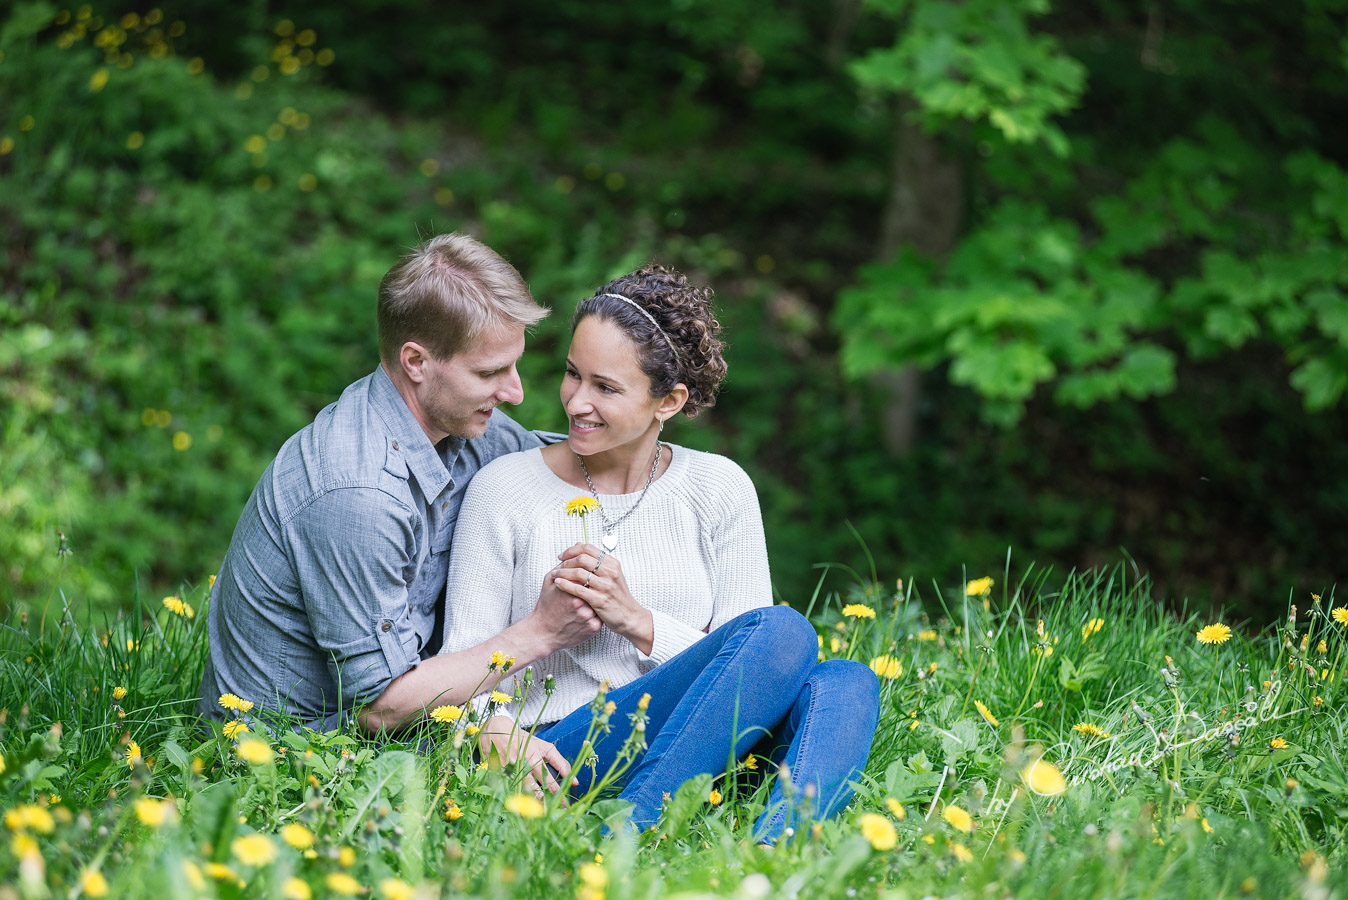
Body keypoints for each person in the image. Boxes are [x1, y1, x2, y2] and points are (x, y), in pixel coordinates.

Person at [440, 265, 880, 842]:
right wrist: (495, 730)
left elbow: (757, 666)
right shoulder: (505, 489)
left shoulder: (718, 487)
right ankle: (630, 833)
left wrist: (638, 622)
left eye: (607, 387)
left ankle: (777, 849)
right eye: (573, 375)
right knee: (786, 631)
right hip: (560, 749)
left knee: (845, 679)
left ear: (668, 401)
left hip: (707, 744)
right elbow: (461, 662)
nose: (576, 402)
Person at [198, 234, 604, 735]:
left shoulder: (464, 424)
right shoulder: (358, 495)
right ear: (416, 362)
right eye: (490, 372)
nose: (515, 392)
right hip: (295, 755)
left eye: (514, 365)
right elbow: (379, 708)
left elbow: (562, 466)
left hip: (412, 718)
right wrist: (540, 633)